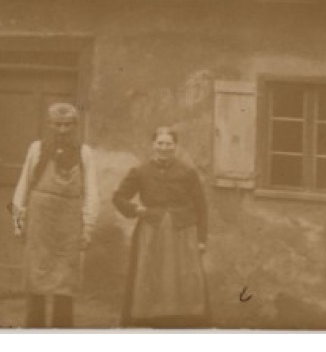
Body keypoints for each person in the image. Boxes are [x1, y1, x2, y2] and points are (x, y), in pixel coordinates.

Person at [112, 126, 210, 327]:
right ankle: (151, 319)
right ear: (152, 145)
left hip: (183, 231)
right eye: (160, 143)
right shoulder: (140, 171)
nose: (164, 148)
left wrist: (201, 239)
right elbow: (119, 197)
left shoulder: (187, 172)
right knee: (150, 275)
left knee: (184, 277)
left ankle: (181, 321)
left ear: (176, 147)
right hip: (152, 230)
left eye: (169, 144)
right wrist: (135, 209)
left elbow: (201, 206)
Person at [12, 101, 98, 328]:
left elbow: (91, 192)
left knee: (65, 281)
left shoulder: (85, 153)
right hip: (40, 220)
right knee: (36, 279)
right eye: (58, 124)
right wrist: (19, 222)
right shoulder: (37, 149)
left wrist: (88, 227)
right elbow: (23, 185)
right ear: (49, 124)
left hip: (69, 222)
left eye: (68, 125)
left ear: (75, 126)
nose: (62, 130)